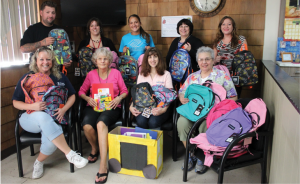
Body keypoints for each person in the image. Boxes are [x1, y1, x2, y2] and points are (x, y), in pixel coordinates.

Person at [12, 47, 88, 179]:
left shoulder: (60, 76)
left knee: (52, 140)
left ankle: (39, 162)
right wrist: (33, 106)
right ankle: (70, 154)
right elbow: (15, 102)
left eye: (48, 59)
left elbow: (72, 96)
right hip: (29, 118)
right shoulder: (27, 77)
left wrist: (64, 109)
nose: (45, 62)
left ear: (52, 61)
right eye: (41, 59)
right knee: (42, 116)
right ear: (36, 61)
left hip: (53, 119)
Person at [177, 46, 237, 174]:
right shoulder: (192, 77)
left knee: (205, 125)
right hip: (192, 112)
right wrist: (181, 96)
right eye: (201, 59)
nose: (204, 62)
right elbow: (181, 91)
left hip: (212, 114)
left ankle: (202, 157)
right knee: (182, 123)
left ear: (212, 60)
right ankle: (191, 154)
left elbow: (234, 97)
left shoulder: (222, 76)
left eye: (207, 59)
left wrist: (219, 107)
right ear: (197, 62)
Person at [78, 47, 128, 184]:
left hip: (112, 107)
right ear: (95, 61)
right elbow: (81, 91)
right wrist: (88, 99)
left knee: (101, 123)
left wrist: (118, 98)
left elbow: (124, 91)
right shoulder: (91, 74)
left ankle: (103, 166)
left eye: (105, 58)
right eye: (99, 59)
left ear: (109, 60)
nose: (102, 61)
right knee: (87, 126)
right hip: (94, 106)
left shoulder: (116, 73)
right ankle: (95, 148)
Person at [129, 47, 173, 129]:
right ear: (146, 59)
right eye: (150, 57)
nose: (152, 59)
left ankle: (155, 141)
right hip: (144, 107)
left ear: (159, 58)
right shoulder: (142, 74)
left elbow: (169, 96)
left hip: (161, 107)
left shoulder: (166, 74)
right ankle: (145, 141)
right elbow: (137, 94)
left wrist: (163, 110)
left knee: (153, 122)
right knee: (141, 121)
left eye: (155, 56)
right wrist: (131, 107)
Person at [20, 1, 72, 68]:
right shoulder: (32, 29)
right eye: (47, 12)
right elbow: (23, 49)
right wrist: (42, 43)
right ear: (41, 13)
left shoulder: (60, 31)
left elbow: (65, 53)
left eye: (53, 13)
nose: (50, 15)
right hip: (38, 72)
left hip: (57, 72)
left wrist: (66, 63)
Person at [213, 16, 248, 97]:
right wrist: (215, 60)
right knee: (222, 98)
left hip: (236, 75)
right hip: (222, 76)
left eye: (229, 24)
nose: (226, 27)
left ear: (233, 27)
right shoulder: (217, 41)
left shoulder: (241, 39)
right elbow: (213, 61)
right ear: (220, 27)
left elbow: (245, 58)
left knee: (235, 98)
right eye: (223, 24)